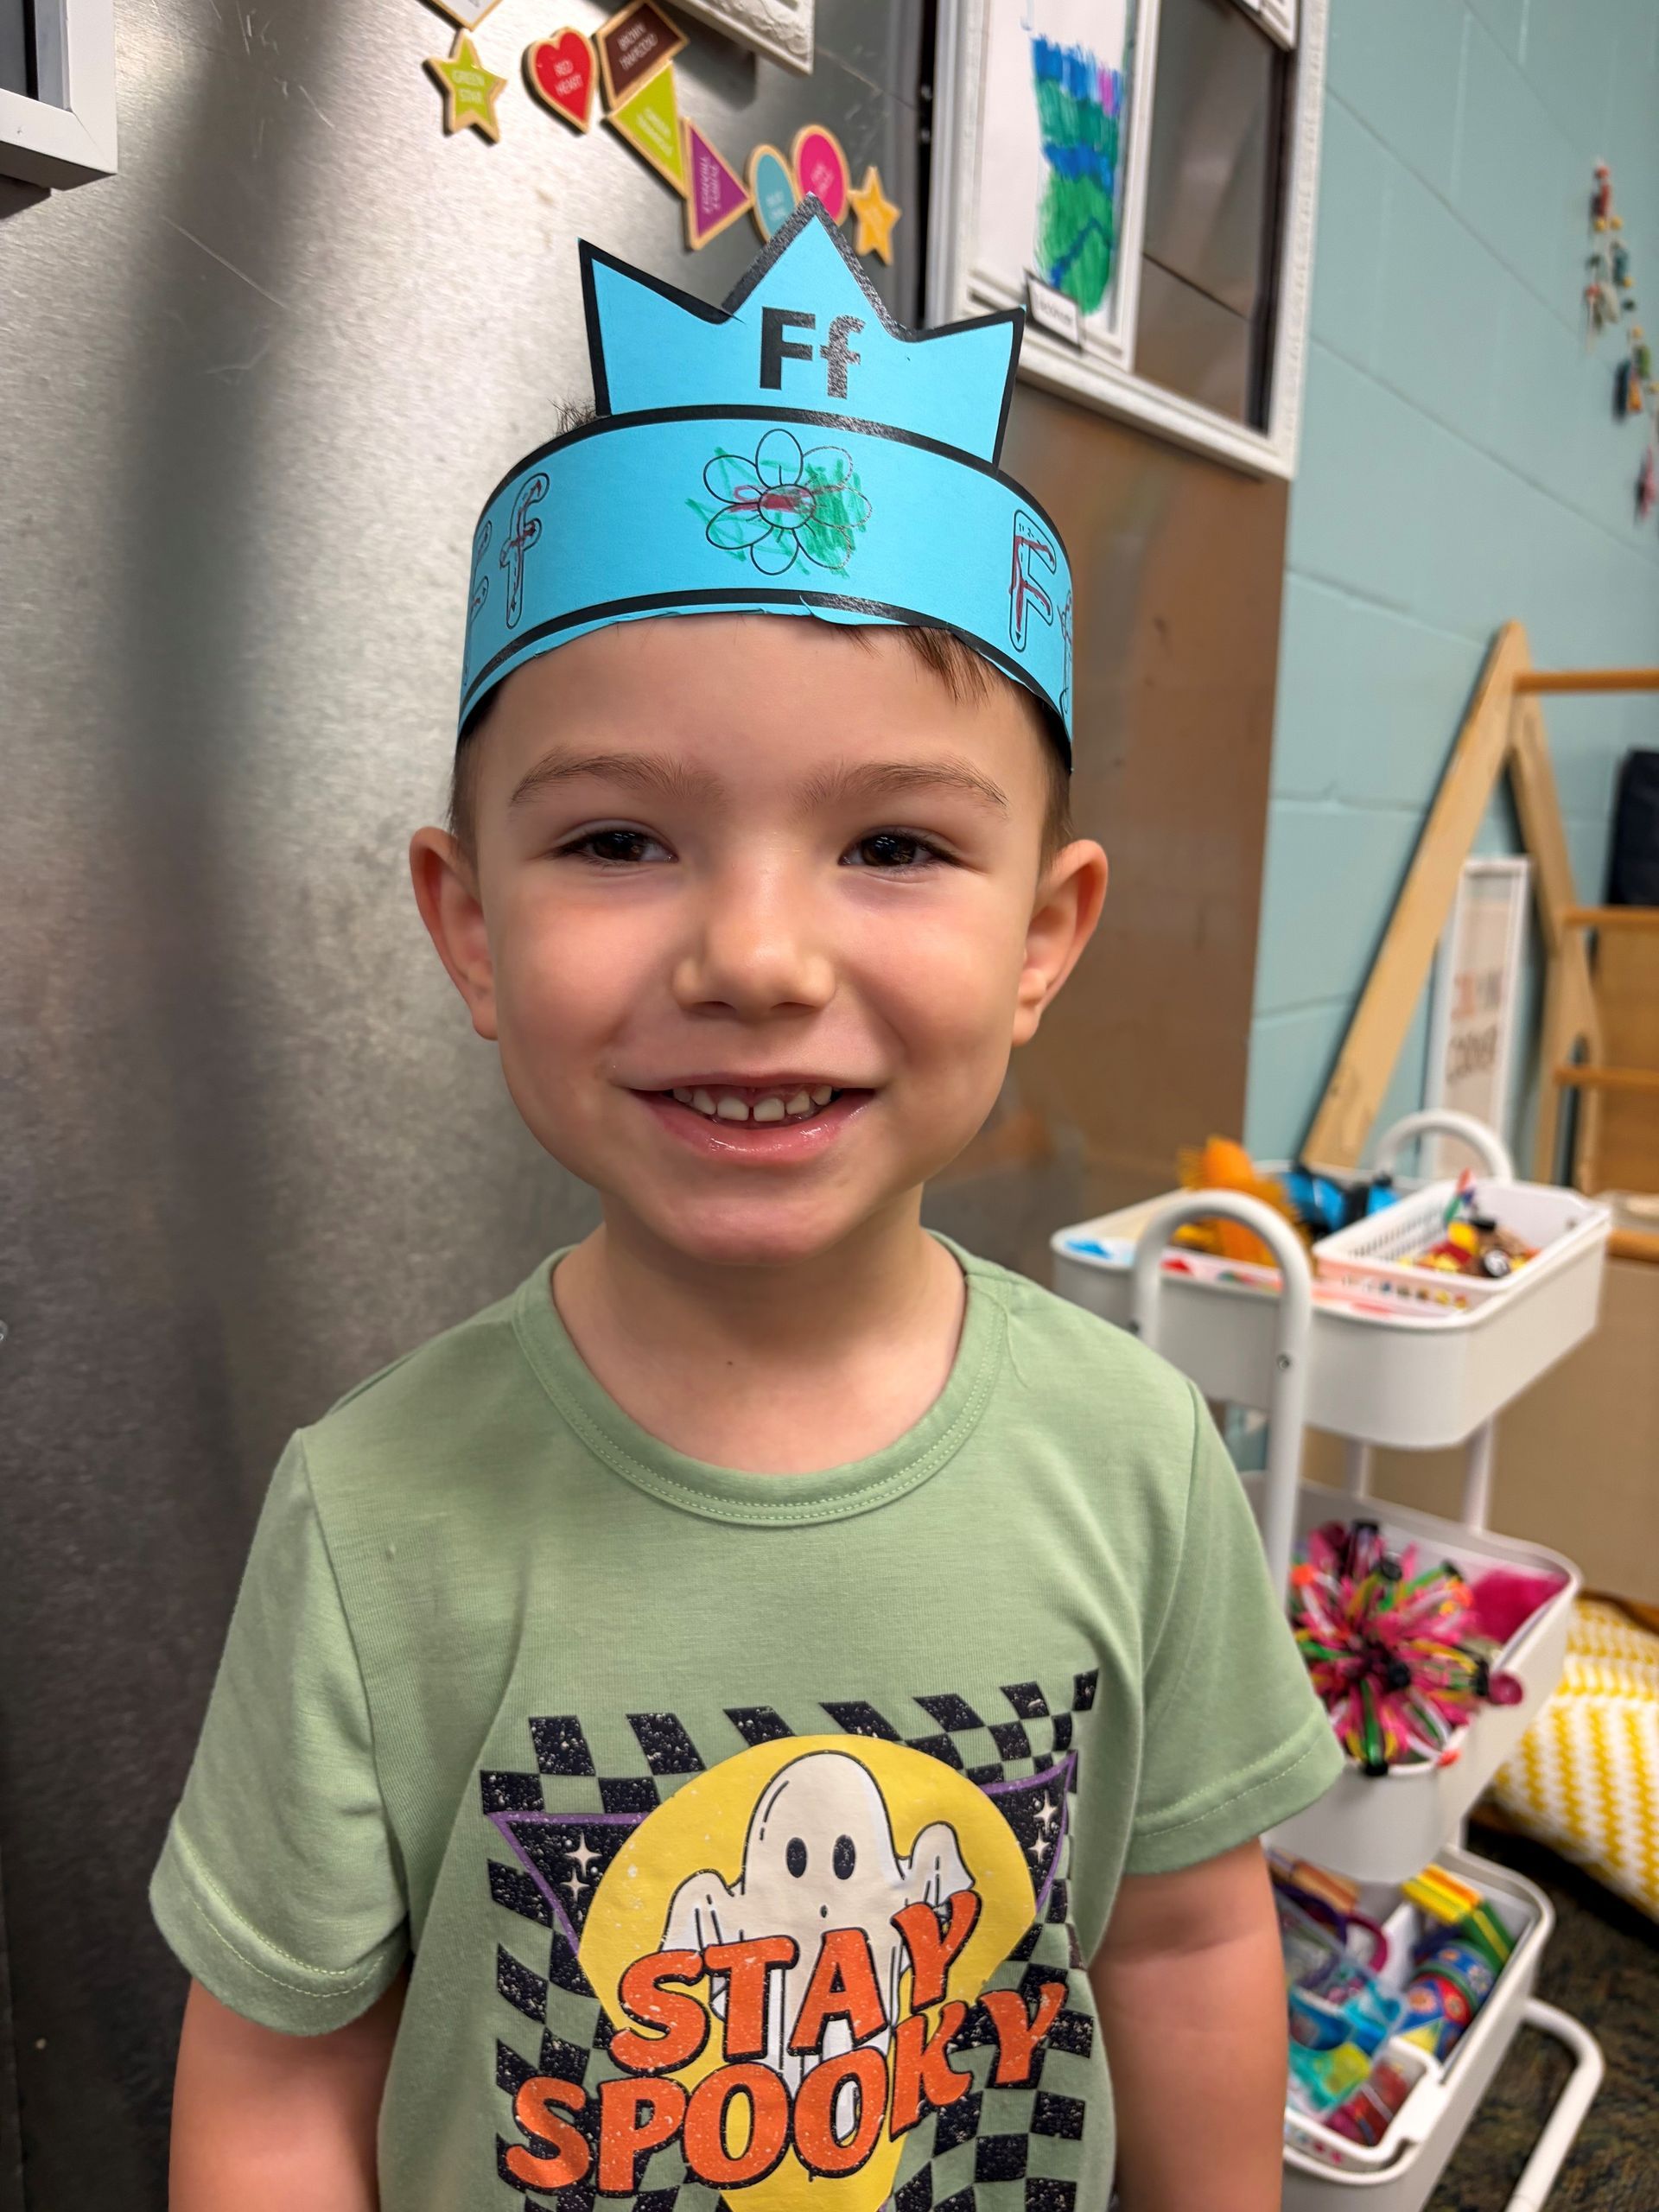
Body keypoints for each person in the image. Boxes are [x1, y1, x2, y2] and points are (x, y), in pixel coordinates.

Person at [155, 204, 1339, 2212]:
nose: (760, 956)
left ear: (1046, 935)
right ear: (469, 926)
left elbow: (1190, 1943)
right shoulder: (372, 1518)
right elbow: (278, 2080)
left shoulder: (1136, 1451)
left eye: (892, 841)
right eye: (621, 837)